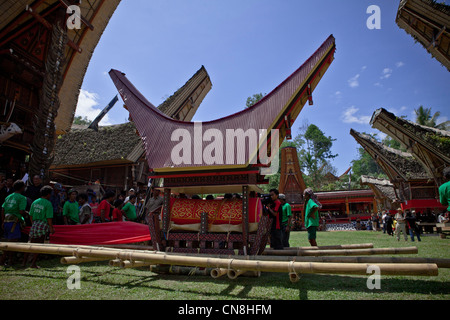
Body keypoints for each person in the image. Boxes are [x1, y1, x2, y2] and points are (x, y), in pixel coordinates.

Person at [24, 186, 55, 268]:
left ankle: (24, 262)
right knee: (39, 244)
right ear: (48, 194)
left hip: (34, 224)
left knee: (30, 243)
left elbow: (30, 214)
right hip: (43, 224)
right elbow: (49, 217)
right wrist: (51, 227)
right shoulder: (48, 203)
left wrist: (33, 223)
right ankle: (33, 263)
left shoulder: (35, 202)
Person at [0, 180, 27, 266]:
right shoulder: (22, 198)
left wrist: (3, 221)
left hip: (6, 221)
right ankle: (2, 260)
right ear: (22, 188)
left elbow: (3, 209)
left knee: (12, 242)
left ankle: (10, 260)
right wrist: (26, 213)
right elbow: (21, 211)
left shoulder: (8, 197)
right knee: (11, 243)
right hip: (14, 222)